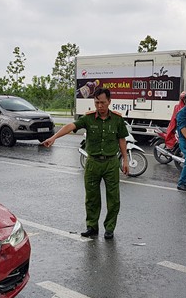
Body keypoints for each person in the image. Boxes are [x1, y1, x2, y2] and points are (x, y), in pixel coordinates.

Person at [42, 88, 129, 239]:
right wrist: (54, 137)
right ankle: (92, 227)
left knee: (113, 198)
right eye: (97, 103)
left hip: (111, 163)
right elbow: (70, 126)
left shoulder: (117, 119)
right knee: (91, 197)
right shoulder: (88, 118)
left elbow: (122, 139)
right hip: (93, 163)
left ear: (109, 102)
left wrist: (125, 160)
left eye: (103, 102)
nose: (100, 106)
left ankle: (109, 228)